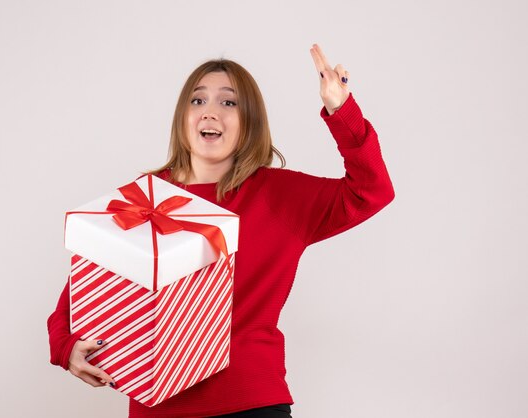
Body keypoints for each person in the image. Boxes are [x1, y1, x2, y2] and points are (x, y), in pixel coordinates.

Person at [47, 43, 395, 418]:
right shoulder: (146, 194)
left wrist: (341, 111)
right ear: (183, 117)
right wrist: (64, 344)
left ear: (250, 121)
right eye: (197, 101)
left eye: (229, 103)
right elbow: (92, 278)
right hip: (157, 405)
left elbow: (371, 191)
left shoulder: (279, 196)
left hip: (251, 402)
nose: (210, 111)